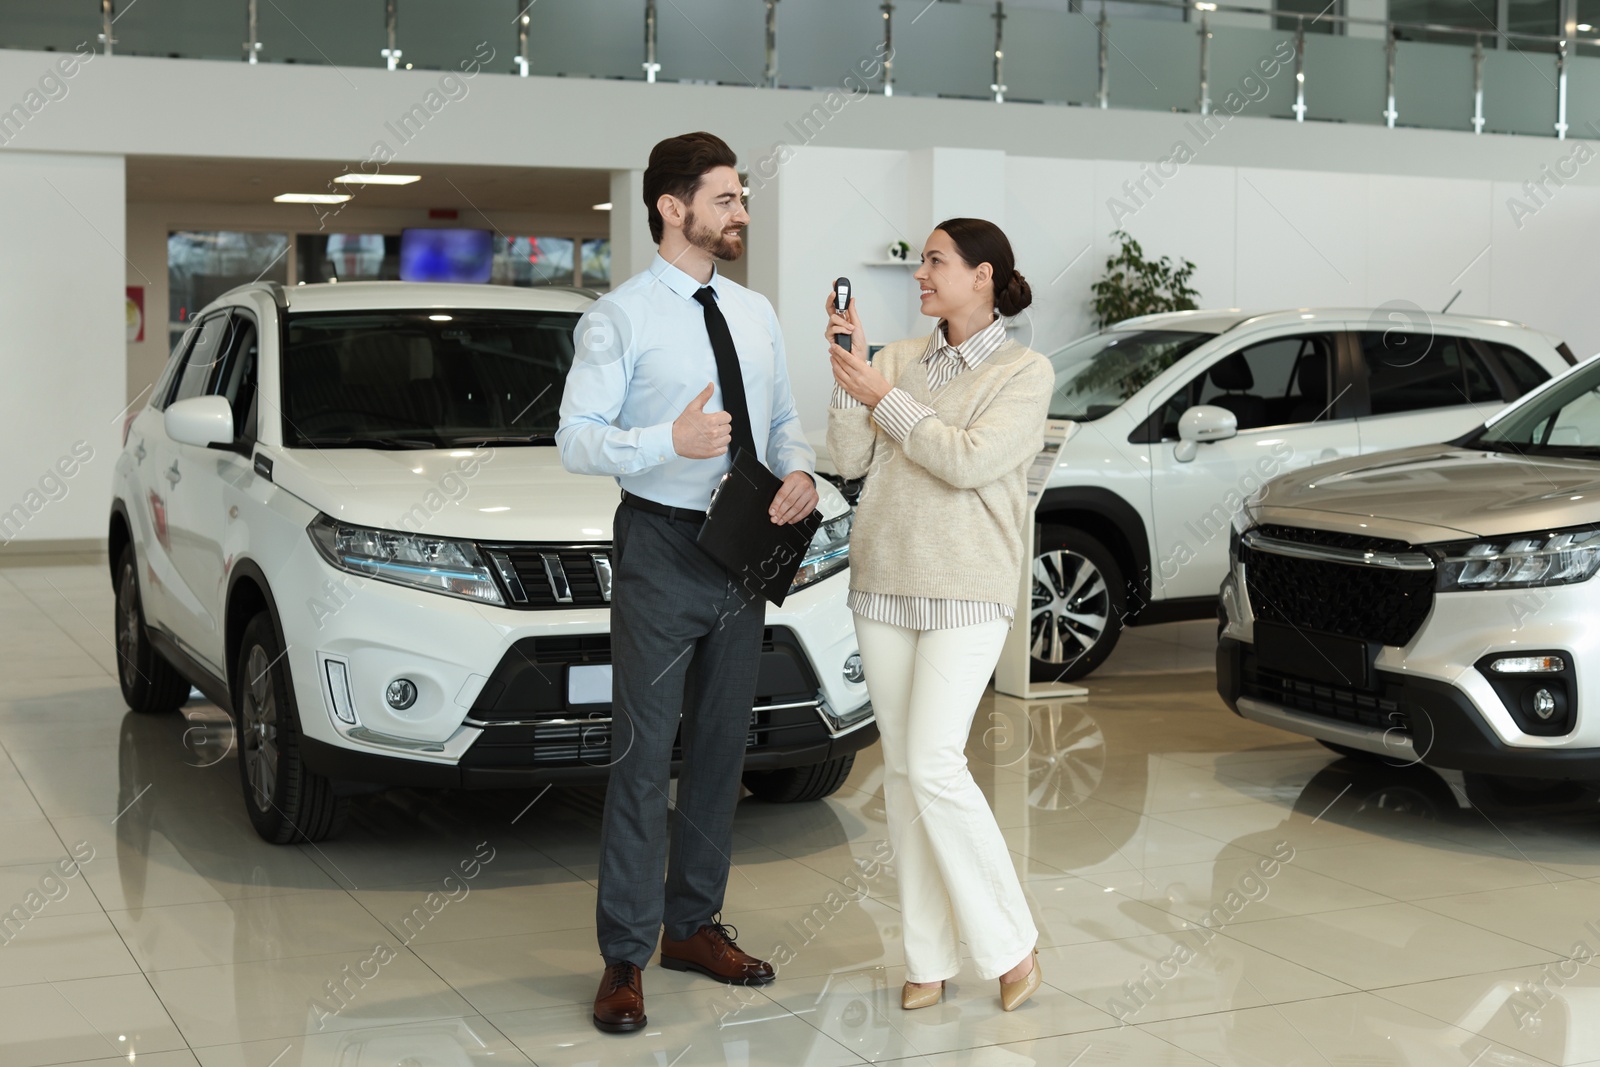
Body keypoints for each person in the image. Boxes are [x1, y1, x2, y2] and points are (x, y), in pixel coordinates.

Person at [557, 131, 819, 1034]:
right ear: (673, 208)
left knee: (720, 747)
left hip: (745, 549)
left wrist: (801, 473)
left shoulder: (754, 311)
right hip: (662, 546)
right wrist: (666, 442)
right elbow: (575, 436)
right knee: (642, 754)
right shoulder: (619, 316)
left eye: (743, 198)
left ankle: (693, 926)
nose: (741, 212)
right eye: (725, 199)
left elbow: (784, 418)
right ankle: (624, 956)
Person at [824, 218, 1051, 1012]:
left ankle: (1010, 943)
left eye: (935, 261)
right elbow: (850, 458)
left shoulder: (1026, 371)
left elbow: (968, 460)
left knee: (934, 761)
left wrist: (886, 400)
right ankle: (926, 955)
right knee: (905, 773)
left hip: (968, 588)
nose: (920, 273)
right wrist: (850, 372)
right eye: (921, 261)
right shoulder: (892, 359)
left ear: (983, 276)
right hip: (883, 582)